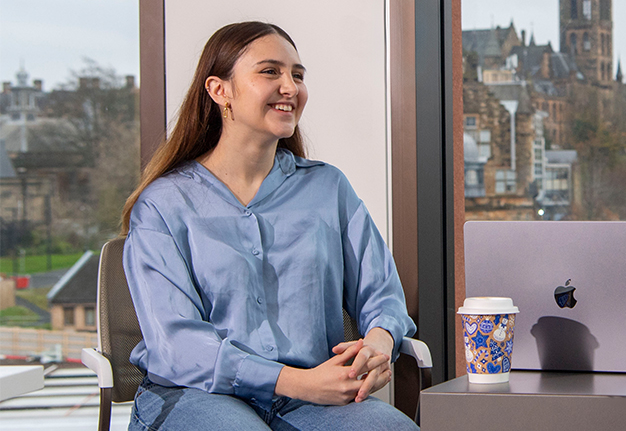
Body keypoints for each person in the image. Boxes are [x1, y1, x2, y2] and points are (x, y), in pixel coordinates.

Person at [120, 21, 417, 430]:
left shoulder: (328, 188)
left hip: (309, 403)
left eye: (297, 75)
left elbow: (382, 294)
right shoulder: (164, 205)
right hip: (197, 396)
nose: (291, 87)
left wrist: (380, 342)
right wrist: (297, 382)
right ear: (219, 90)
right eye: (270, 72)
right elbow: (177, 344)